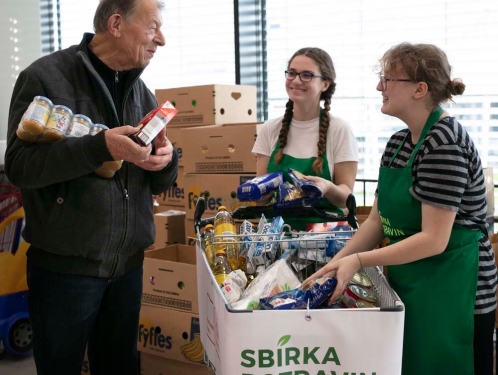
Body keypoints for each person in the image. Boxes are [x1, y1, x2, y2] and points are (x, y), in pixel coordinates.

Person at [4, 0, 177, 374]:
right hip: (65, 270)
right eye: (152, 28)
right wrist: (100, 147)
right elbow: (19, 167)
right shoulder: (45, 79)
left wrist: (166, 159)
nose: (160, 39)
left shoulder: (141, 92)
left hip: (128, 266)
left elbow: (158, 182)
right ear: (116, 24)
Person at [306, 42, 497, 375]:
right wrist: (334, 265)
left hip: (456, 292)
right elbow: (377, 221)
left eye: (388, 79)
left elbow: (434, 240)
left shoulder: (444, 143)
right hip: (413, 281)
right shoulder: (398, 143)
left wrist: (360, 260)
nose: (379, 87)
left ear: (419, 89)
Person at [251, 47, 358, 229]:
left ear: (325, 84)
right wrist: (256, 193)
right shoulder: (270, 129)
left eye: (307, 75)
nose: (296, 81)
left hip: (324, 235)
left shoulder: (339, 130)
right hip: (276, 235)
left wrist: (326, 187)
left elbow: (345, 198)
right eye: (292, 73)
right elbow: (262, 199)